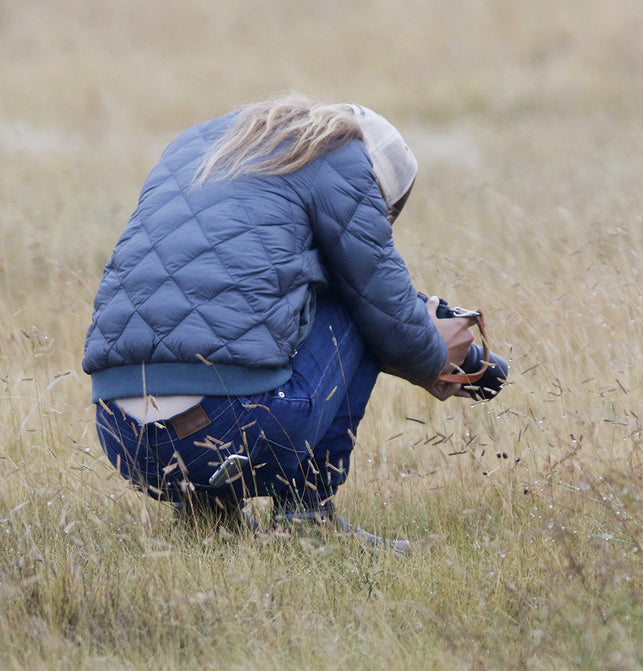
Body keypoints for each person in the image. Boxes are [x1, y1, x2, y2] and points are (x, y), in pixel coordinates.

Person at [82, 92, 477, 526]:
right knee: (353, 301)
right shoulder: (340, 154)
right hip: (232, 431)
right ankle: (307, 518)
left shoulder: (191, 147)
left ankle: (209, 515)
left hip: (125, 440)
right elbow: (382, 308)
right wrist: (437, 360)